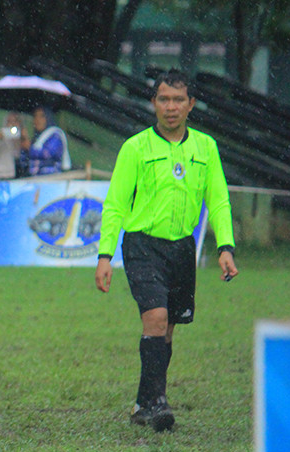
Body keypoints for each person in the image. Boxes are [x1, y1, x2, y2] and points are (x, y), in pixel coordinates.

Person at [95, 69, 238, 432]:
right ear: (153, 102)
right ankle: (158, 403)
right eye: (163, 99)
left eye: (178, 100)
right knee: (156, 317)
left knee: (168, 329)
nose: (170, 107)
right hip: (143, 244)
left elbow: (218, 199)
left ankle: (144, 403)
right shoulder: (135, 147)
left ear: (191, 104)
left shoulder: (205, 148)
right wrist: (105, 255)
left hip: (181, 249)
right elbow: (114, 204)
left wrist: (225, 246)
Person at [26, 106, 71, 176]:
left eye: (42, 116)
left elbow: (47, 153)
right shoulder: (36, 139)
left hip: (51, 179)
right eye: (35, 116)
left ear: (48, 118)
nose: (37, 119)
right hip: (36, 180)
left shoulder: (55, 135)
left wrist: (30, 148)